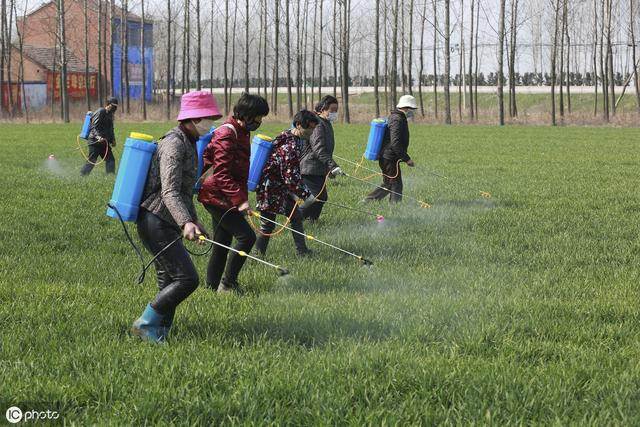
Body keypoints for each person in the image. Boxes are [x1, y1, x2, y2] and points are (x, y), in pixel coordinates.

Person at [131, 90, 222, 343]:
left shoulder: (189, 141)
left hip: (166, 220)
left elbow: (184, 192)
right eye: (207, 117)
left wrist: (193, 220)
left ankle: (159, 333)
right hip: (155, 220)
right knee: (187, 279)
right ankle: (145, 323)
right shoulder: (174, 143)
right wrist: (185, 222)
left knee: (169, 280)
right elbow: (170, 190)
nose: (210, 123)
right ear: (192, 119)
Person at [198, 93, 270, 294]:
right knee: (247, 237)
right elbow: (221, 174)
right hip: (217, 196)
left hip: (224, 195)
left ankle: (211, 288)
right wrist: (240, 201)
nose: (260, 121)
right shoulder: (227, 133)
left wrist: (239, 198)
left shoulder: (241, 131)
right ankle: (228, 284)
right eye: (258, 116)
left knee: (222, 242)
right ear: (247, 114)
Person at [255, 110, 319, 257]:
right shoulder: (289, 147)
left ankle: (302, 251)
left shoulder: (294, 138)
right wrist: (306, 195)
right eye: (309, 128)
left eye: (314, 129)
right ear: (298, 125)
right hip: (270, 189)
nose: (312, 132)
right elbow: (290, 177)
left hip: (282, 188)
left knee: (295, 216)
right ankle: (257, 256)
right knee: (268, 225)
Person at [365, 94, 416, 203]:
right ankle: (394, 207)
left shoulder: (397, 117)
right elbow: (395, 143)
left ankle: (369, 201)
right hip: (389, 158)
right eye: (412, 109)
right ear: (406, 107)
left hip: (390, 157)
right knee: (394, 184)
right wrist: (407, 159)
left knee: (390, 183)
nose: (413, 111)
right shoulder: (397, 120)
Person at [299, 95, 343, 220]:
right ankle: (296, 218)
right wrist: (332, 165)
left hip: (318, 167)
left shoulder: (326, 123)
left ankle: (312, 220)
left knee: (320, 197)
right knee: (318, 197)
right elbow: (319, 149)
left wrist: (328, 168)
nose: (334, 113)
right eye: (332, 110)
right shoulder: (317, 124)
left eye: (336, 110)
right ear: (323, 109)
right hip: (310, 167)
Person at [80, 97, 118, 176]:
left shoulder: (110, 115)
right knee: (92, 160)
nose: (115, 108)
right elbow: (94, 127)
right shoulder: (101, 111)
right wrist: (98, 137)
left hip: (104, 142)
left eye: (116, 106)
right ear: (108, 104)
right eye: (113, 106)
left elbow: (111, 129)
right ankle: (82, 175)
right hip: (95, 141)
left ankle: (110, 177)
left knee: (111, 159)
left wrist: (113, 140)